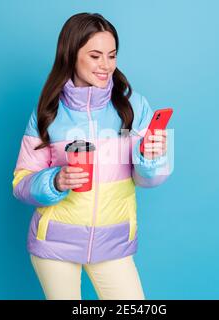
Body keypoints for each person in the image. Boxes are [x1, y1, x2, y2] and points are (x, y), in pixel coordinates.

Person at [12, 12, 172, 300]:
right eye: (95, 56)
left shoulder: (134, 105)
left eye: (111, 55)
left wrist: (151, 158)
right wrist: (56, 181)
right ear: (71, 55)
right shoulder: (47, 111)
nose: (106, 65)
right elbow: (21, 184)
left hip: (113, 241)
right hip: (55, 243)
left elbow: (152, 179)